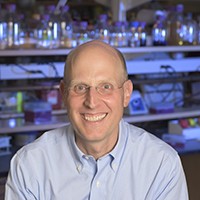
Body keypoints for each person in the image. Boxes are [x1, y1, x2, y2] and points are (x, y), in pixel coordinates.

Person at [5, 40, 188, 199]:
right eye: (80, 87)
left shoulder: (161, 164)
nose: (92, 102)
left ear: (126, 94)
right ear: (63, 94)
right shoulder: (30, 165)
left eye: (105, 86)